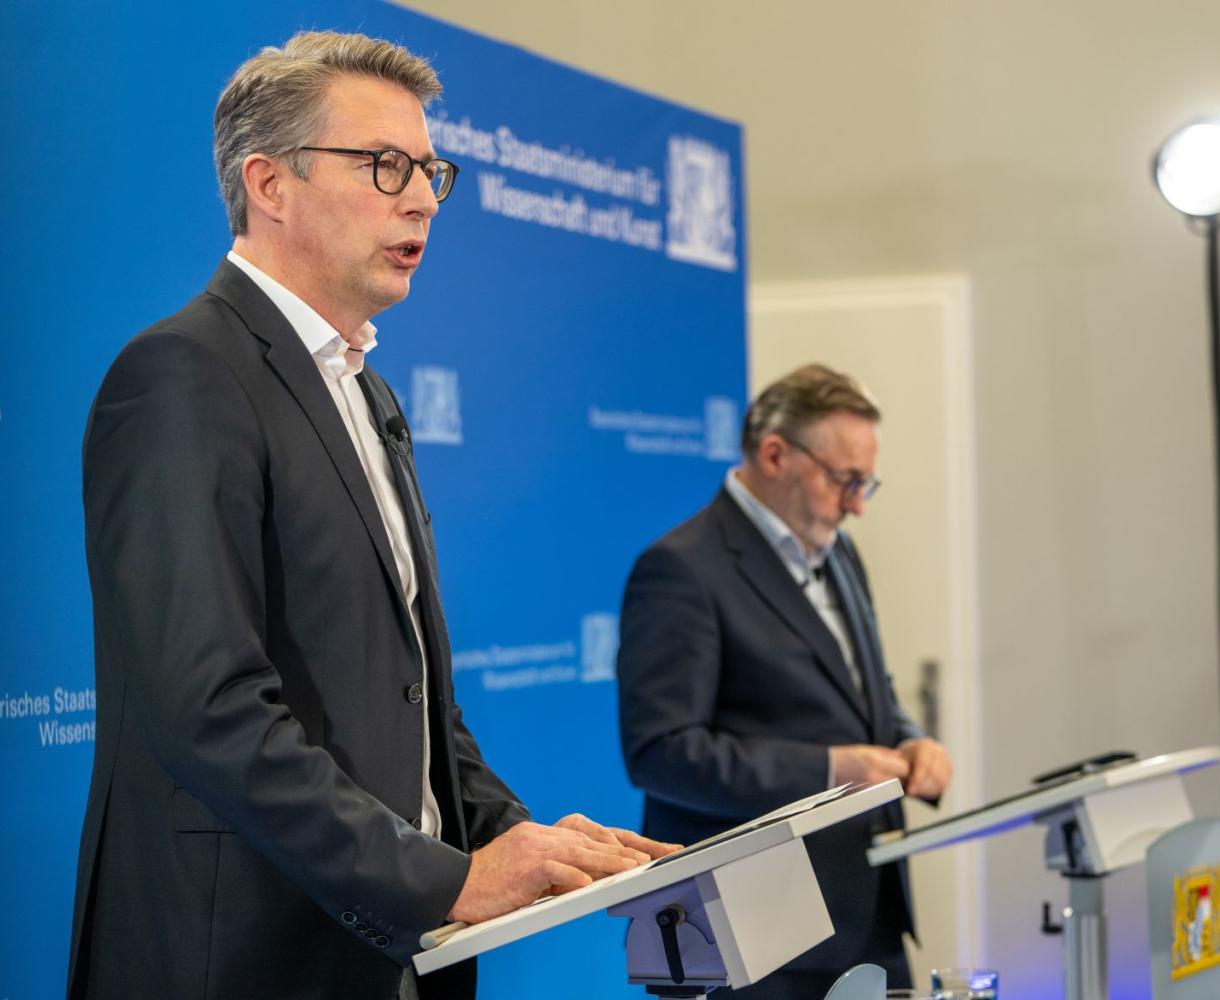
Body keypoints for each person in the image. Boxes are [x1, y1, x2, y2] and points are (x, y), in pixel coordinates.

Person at [67, 32, 672, 1000]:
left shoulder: (368, 390)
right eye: (383, 165)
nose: (423, 196)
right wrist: (441, 878)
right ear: (269, 183)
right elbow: (207, 707)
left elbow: (411, 693)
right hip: (243, 954)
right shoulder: (186, 374)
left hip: (389, 950)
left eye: (430, 169)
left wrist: (506, 832)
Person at [617, 364, 952, 996]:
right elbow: (660, 754)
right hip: (754, 933)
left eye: (866, 483)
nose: (857, 504)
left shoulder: (838, 549)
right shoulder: (681, 569)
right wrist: (829, 772)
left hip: (867, 910)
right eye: (844, 480)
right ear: (775, 454)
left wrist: (909, 741)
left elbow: (864, 688)